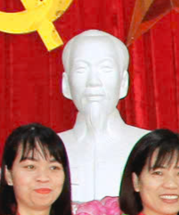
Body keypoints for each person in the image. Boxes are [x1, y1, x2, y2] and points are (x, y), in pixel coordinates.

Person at [55, 29, 150, 204]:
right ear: (66, 84)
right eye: (81, 69)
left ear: (123, 83)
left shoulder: (153, 148)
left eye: (106, 68)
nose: (93, 82)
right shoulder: (46, 151)